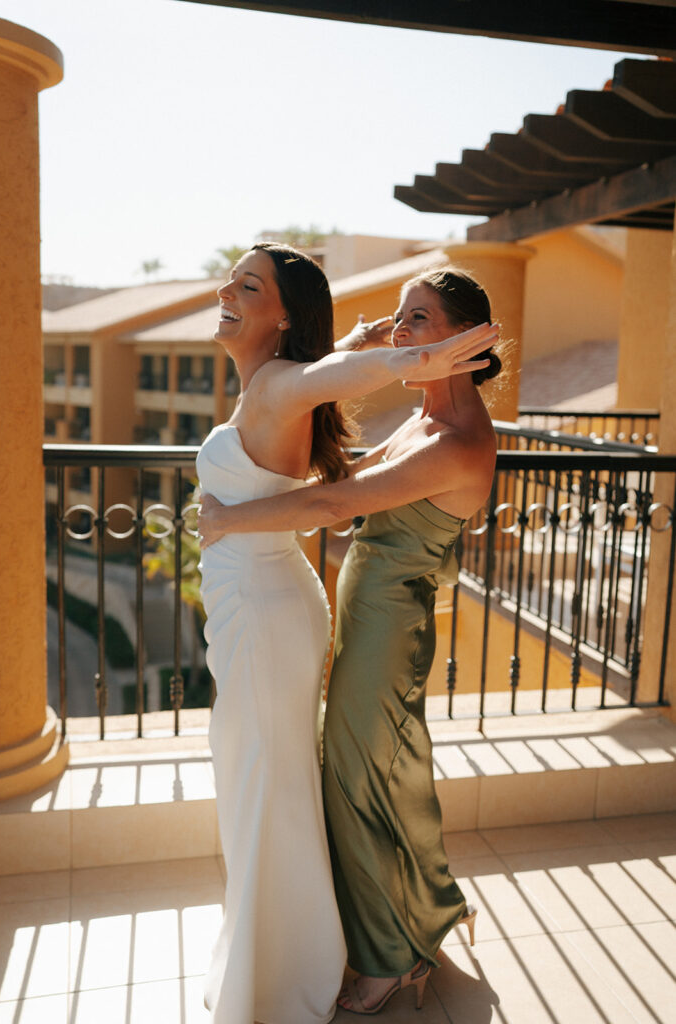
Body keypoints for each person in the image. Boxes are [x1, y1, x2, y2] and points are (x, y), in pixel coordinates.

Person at [198, 262, 500, 1017]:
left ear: (462, 341)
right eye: (399, 317)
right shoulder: (423, 422)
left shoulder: (456, 438)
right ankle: (418, 916)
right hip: (365, 620)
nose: (403, 332)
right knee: (368, 779)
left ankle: (392, 958)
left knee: (359, 785)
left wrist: (229, 519)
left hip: (388, 628)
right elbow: (342, 480)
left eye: (419, 320)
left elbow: (337, 502)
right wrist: (355, 347)